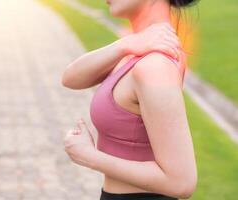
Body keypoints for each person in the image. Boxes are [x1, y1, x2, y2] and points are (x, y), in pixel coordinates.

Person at [62, 0, 199, 199]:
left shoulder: (154, 66)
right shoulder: (138, 48)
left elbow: (182, 182)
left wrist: (90, 157)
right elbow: (71, 78)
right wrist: (125, 44)